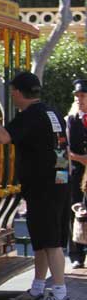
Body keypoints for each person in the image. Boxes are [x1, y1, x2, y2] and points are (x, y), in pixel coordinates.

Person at [0, 71, 72, 300]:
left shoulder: (31, 115)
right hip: (58, 180)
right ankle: (37, 288)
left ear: (18, 92)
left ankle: (61, 295)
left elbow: (2, 136)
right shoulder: (51, 112)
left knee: (51, 242)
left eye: (12, 91)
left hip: (44, 185)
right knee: (42, 240)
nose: (11, 95)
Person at [66, 79, 87, 270]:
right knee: (77, 211)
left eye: (83, 95)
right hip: (78, 173)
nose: (80, 99)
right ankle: (76, 254)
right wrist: (83, 160)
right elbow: (68, 151)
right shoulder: (72, 119)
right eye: (77, 96)